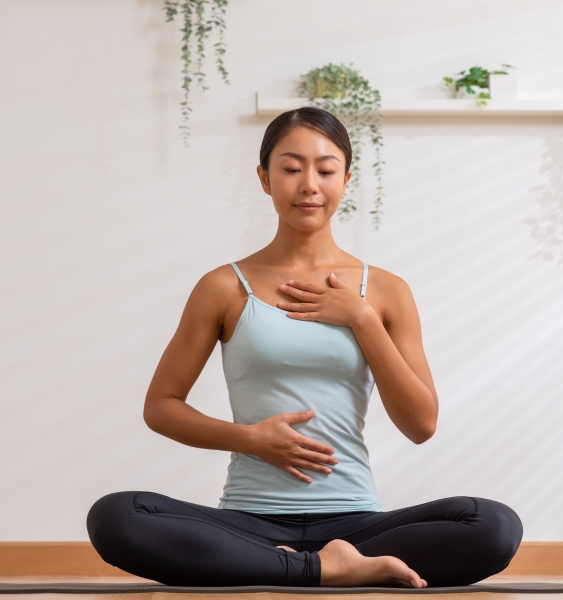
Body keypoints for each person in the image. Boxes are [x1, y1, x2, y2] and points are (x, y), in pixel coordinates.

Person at [87, 107, 522, 589]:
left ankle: (297, 565)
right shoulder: (224, 287)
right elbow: (160, 407)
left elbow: (421, 425)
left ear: (347, 178)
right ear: (264, 178)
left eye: (326, 169)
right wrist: (250, 438)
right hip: (250, 522)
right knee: (116, 516)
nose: (309, 184)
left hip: (356, 525)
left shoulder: (385, 291)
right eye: (291, 169)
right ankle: (325, 570)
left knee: (494, 525)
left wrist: (360, 318)